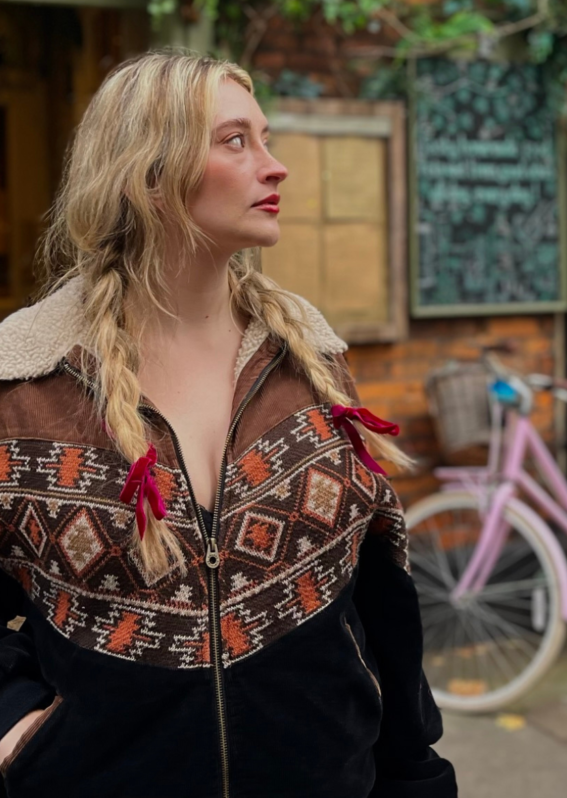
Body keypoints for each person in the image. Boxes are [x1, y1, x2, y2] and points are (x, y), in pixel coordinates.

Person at [0, 49, 458, 798]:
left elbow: (379, 600)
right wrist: (17, 723)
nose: (274, 167)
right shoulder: (24, 385)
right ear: (147, 173)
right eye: (236, 141)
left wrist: (415, 773)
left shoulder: (310, 362)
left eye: (266, 138)